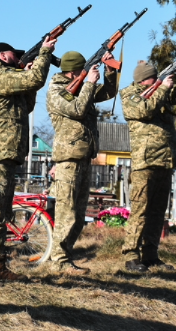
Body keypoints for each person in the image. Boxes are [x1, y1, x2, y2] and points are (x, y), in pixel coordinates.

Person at [0, 37, 56, 286]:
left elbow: (26, 104)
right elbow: (35, 79)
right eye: (15, 56)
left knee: (2, 213)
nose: (19, 59)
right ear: (3, 56)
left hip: (7, 152)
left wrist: (28, 76)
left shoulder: (6, 76)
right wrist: (45, 54)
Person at [119, 49, 176, 272]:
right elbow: (144, 110)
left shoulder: (160, 91)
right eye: (154, 78)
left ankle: (150, 254)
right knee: (141, 210)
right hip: (145, 160)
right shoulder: (130, 95)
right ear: (145, 80)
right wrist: (162, 88)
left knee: (158, 211)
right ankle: (131, 255)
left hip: (165, 159)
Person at [46, 50, 118, 275]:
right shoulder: (56, 90)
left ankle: (66, 257)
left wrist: (110, 70)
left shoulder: (80, 85)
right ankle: (58, 261)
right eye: (81, 71)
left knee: (78, 216)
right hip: (68, 158)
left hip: (84, 155)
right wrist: (88, 83)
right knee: (66, 213)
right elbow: (76, 109)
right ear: (72, 73)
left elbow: (108, 92)